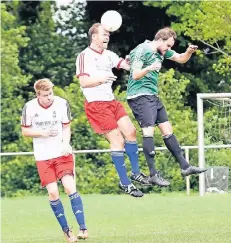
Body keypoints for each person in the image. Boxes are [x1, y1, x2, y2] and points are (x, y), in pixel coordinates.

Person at [75, 23, 152, 198]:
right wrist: (101, 79)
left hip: (111, 101)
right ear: (94, 36)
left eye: (108, 34)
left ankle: (135, 173)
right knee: (117, 140)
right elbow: (84, 83)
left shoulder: (109, 55)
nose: (107, 37)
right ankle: (125, 183)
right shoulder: (84, 56)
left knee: (131, 132)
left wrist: (133, 62)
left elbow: (125, 65)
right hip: (96, 105)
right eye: (104, 34)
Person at [127, 27, 207, 186]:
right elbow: (135, 75)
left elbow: (181, 58)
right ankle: (153, 175)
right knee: (148, 132)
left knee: (167, 130)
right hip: (139, 96)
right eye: (168, 46)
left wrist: (189, 52)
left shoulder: (161, 51)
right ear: (160, 40)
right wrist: (149, 68)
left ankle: (185, 166)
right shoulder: (141, 50)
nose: (169, 49)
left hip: (152, 96)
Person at [21, 78, 87, 243]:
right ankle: (66, 232)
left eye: (50, 93)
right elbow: (25, 131)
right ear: (38, 95)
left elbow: (66, 126)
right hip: (43, 156)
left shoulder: (61, 103)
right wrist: (42, 133)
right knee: (53, 192)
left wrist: (65, 143)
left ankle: (83, 228)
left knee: (69, 187)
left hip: (61, 153)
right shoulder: (29, 107)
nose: (49, 97)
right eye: (45, 95)